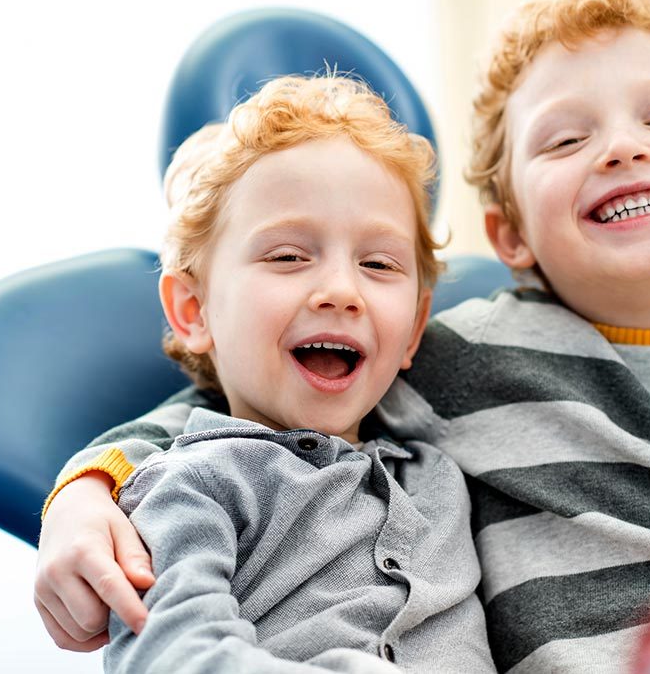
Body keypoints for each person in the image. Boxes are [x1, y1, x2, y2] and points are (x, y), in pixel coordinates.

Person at [34, 0, 650, 671]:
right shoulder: (465, 357)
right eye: (566, 138)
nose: (624, 148)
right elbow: (237, 412)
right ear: (510, 234)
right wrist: (89, 485)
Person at [85, 74, 495, 673]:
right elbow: (170, 654)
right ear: (195, 311)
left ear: (412, 329)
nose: (340, 291)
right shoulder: (193, 484)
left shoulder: (441, 474)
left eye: (378, 263)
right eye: (288, 257)